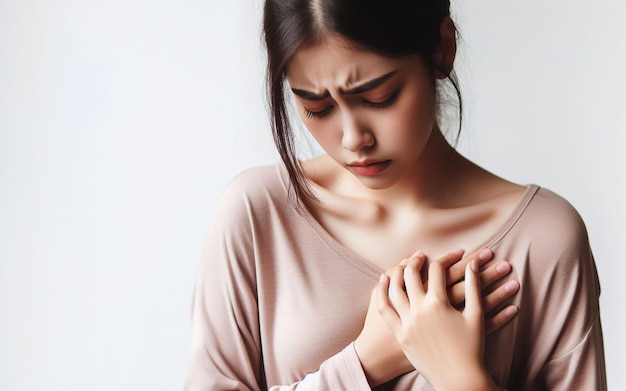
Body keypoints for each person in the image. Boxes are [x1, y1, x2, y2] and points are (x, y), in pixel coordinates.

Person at [184, 0, 607, 389]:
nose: (353, 139)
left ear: (442, 49)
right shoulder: (258, 214)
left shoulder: (544, 239)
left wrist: (462, 376)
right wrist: (367, 362)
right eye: (317, 107)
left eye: (378, 98)